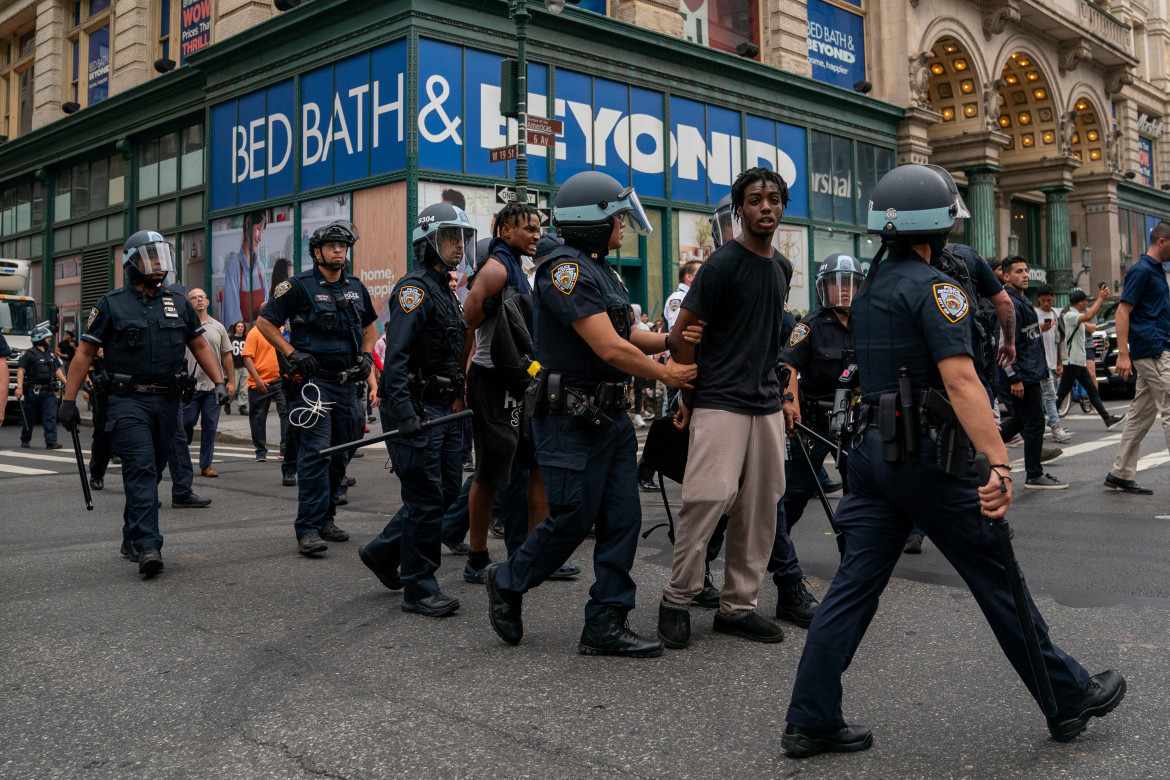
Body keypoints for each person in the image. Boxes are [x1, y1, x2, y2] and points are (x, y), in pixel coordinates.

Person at [781, 164, 1123, 758]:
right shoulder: (937, 289)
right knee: (997, 577)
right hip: (929, 459)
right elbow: (961, 380)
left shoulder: (872, 288)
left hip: (872, 455)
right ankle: (1066, 697)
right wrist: (998, 463)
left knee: (853, 587)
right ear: (935, 225)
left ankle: (810, 717)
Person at [485, 170, 699, 657]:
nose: (624, 226)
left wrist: (670, 342)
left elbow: (628, 334)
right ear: (592, 221)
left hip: (610, 419)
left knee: (622, 518)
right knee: (571, 519)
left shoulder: (600, 268)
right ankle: (509, 579)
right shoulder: (566, 271)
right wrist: (667, 376)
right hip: (570, 420)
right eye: (618, 217)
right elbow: (608, 347)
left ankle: (605, 619)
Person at [656, 167, 790, 650]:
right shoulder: (720, 265)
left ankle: (738, 607)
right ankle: (677, 598)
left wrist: (784, 398)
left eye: (774, 199)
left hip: (766, 404)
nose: (766, 208)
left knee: (760, 509)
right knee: (708, 499)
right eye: (755, 201)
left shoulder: (781, 268)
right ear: (741, 209)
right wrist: (687, 398)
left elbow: (769, 339)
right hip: (719, 401)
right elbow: (681, 336)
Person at [57, 231, 228, 578]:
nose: (158, 266)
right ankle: (149, 545)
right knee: (142, 469)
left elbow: (199, 347)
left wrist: (221, 383)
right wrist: (68, 400)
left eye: (161, 257)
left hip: (168, 402)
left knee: (151, 473)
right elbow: (85, 353)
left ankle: (130, 536)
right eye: (150, 259)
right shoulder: (109, 304)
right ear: (131, 263)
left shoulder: (178, 303)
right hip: (127, 401)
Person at [358, 204, 470, 617]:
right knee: (424, 498)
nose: (458, 245)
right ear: (428, 242)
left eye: (461, 238)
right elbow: (398, 357)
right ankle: (419, 588)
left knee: (442, 492)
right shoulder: (415, 289)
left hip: (441, 407)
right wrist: (404, 414)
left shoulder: (444, 289)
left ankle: (383, 553)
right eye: (449, 238)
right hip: (417, 407)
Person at [256, 220, 378, 556]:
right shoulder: (297, 286)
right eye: (333, 245)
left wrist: (366, 357)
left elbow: (370, 326)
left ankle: (326, 518)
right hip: (312, 385)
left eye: (344, 245)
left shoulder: (356, 286)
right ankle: (307, 527)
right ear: (317, 251)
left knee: (341, 450)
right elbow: (265, 323)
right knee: (315, 453)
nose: (340, 250)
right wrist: (292, 353)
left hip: (346, 382)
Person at [459, 201, 553, 585]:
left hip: (520, 379)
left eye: (537, 228)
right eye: (527, 228)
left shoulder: (518, 268)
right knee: (490, 474)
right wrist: (461, 380)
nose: (535, 234)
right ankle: (476, 558)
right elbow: (466, 318)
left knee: (534, 467)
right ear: (504, 230)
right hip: (492, 381)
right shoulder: (496, 268)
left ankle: (532, 554)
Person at [773, 253, 865, 626]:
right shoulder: (808, 325)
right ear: (822, 288)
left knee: (859, 492)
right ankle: (776, 551)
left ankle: (856, 565)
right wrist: (790, 401)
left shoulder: (868, 322)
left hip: (856, 418)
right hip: (813, 420)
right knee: (794, 494)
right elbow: (787, 365)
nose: (843, 292)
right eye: (835, 284)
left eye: (850, 284)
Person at [1105, 220, 1170, 494]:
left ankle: (1120, 473)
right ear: (1162, 242)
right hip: (1152, 350)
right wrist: (1123, 354)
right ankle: (1121, 472)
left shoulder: (1156, 271)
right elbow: (1122, 312)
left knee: (1140, 415)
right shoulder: (1141, 271)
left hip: (1156, 346)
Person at [996, 256, 1066, 490]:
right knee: (1035, 422)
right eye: (1018, 272)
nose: (1025, 275)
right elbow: (1003, 343)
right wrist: (1013, 376)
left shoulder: (1022, 301)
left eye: (1026, 270)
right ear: (1006, 276)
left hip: (1030, 373)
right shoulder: (1010, 304)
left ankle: (980, 451)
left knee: (1021, 420)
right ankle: (1034, 474)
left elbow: (1025, 340)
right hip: (1021, 376)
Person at [1055, 286, 1125, 432]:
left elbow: (1089, 323)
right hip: (1072, 361)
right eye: (1086, 302)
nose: (1087, 304)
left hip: (1078, 361)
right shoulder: (1070, 315)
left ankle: (1108, 419)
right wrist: (1100, 298)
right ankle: (1049, 422)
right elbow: (1088, 317)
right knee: (1062, 393)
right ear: (1081, 303)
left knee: (1092, 391)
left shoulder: (1073, 313)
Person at [182, 288, 234, 478]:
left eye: (202, 297)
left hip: (213, 387)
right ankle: (182, 457)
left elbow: (226, 355)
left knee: (210, 426)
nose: (199, 300)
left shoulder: (218, 327)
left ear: (208, 302)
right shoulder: (184, 326)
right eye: (194, 298)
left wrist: (230, 381)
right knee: (185, 423)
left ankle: (206, 465)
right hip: (190, 387)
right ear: (190, 303)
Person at [242, 321, 289, 463]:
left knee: (286, 413)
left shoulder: (284, 331)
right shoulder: (255, 332)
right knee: (258, 418)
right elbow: (247, 356)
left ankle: (285, 449)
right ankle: (260, 451)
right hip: (260, 381)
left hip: (281, 379)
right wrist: (257, 379)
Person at [15, 323, 66, 449]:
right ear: (40, 338)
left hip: (48, 391)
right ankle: (25, 439)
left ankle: (51, 442)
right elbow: (21, 370)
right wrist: (19, 387)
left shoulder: (51, 354)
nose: (49, 339)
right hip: (33, 391)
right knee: (29, 417)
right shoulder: (29, 354)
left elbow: (57, 370)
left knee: (50, 416)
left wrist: (67, 383)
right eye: (47, 337)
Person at [1034, 284, 1073, 443]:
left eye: (1049, 300)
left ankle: (1052, 423)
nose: (1046, 304)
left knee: (1050, 395)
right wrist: (1039, 329)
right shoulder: (1034, 315)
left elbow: (1058, 341)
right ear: (1039, 299)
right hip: (1039, 363)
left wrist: (1060, 363)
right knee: (1048, 396)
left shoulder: (1056, 315)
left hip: (1051, 361)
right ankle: (1056, 427)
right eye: (1043, 301)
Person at [221, 210, 268, 327]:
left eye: (263, 231)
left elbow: (267, 308)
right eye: (258, 229)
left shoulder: (260, 268)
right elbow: (233, 319)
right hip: (242, 341)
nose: (260, 237)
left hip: (260, 337)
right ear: (247, 223)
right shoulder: (234, 267)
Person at [228, 321, 249, 415]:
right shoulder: (230, 339)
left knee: (244, 389)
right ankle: (228, 402)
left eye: (242, 326)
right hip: (234, 366)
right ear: (235, 328)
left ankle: (242, 406)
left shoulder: (247, 339)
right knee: (234, 388)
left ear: (244, 328)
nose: (240, 328)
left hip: (245, 366)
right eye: (238, 326)